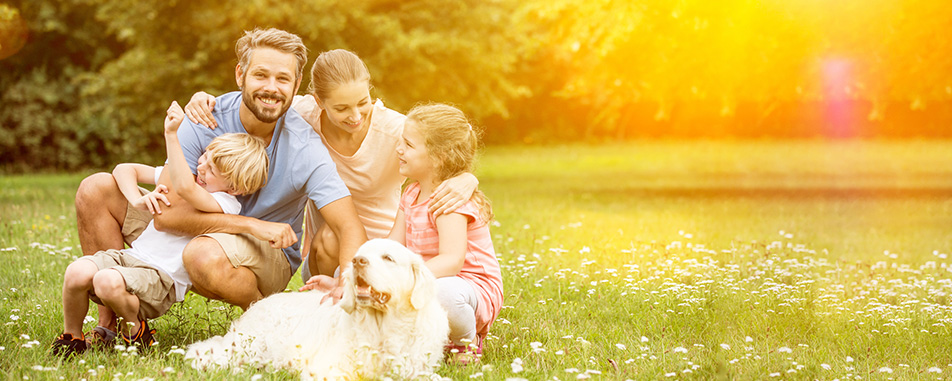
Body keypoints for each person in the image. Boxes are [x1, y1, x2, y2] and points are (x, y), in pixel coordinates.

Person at [73, 28, 366, 348]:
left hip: (264, 254)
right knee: (96, 189)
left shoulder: (304, 148)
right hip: (203, 228)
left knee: (202, 253)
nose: (271, 88)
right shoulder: (204, 118)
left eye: (283, 79)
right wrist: (250, 224)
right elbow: (166, 218)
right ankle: (111, 324)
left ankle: (263, 320)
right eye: (260, 75)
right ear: (240, 74)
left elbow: (349, 226)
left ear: (296, 86)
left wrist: (346, 283)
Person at [184, 49, 478, 283]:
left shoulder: (395, 131)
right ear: (318, 102)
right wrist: (202, 97)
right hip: (328, 251)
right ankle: (328, 305)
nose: (356, 116)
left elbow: (449, 142)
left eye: (363, 102)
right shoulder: (302, 115)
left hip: (390, 246)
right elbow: (259, 97)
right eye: (341, 108)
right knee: (330, 234)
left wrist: (467, 178)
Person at [52, 102, 269, 357]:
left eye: (211, 170)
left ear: (234, 188)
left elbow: (187, 188)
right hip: (131, 257)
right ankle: (72, 339)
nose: (200, 167)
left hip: (161, 278)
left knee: (106, 280)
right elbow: (124, 169)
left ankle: (136, 332)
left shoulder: (225, 203)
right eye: (204, 157)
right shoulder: (191, 178)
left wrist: (172, 135)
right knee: (75, 272)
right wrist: (137, 199)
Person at [370, 103, 504, 364]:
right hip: (431, 278)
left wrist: (406, 281)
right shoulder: (411, 193)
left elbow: (452, 261)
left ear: (438, 156)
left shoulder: (449, 200)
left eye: (408, 145)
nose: (399, 149)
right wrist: (365, 272)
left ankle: (465, 343)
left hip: (470, 288)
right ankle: (430, 337)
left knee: (443, 293)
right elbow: (392, 246)